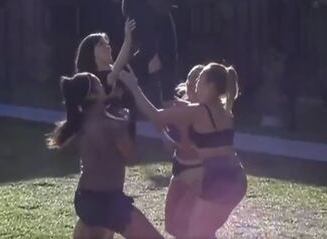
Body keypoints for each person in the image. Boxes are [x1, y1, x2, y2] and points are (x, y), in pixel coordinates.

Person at [119, 63, 247, 238]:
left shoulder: (199, 112)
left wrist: (133, 86)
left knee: (197, 233)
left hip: (220, 180)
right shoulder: (224, 110)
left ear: (210, 87)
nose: (195, 85)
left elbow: (156, 116)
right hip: (236, 178)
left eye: (200, 79)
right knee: (200, 232)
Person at [47, 73, 163, 239]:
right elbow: (131, 156)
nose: (104, 85)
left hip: (85, 199)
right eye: (99, 84)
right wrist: (128, 119)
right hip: (108, 202)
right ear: (93, 95)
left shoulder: (80, 123)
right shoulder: (110, 124)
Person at [74, 20, 138, 136]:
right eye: (101, 45)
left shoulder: (119, 71)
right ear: (90, 53)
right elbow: (119, 64)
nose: (108, 47)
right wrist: (128, 39)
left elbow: (134, 84)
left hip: (125, 131)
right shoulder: (94, 80)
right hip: (105, 137)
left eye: (107, 44)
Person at [163, 64, 205, 238]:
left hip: (198, 173)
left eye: (194, 83)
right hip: (179, 168)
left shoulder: (206, 112)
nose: (189, 86)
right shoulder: (181, 105)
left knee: (187, 227)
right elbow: (170, 141)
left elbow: (187, 146)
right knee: (171, 226)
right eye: (188, 81)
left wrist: (180, 127)